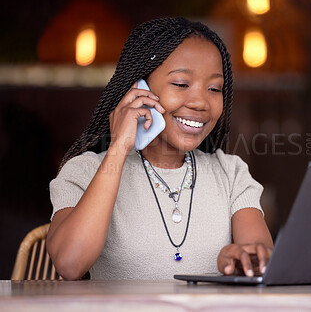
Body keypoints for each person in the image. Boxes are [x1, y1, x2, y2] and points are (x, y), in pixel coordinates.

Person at [47, 17, 273, 280]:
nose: (201, 102)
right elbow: (70, 264)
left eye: (214, 88)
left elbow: (259, 258)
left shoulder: (231, 173)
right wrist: (119, 147)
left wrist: (241, 260)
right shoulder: (85, 171)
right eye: (181, 84)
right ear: (138, 89)